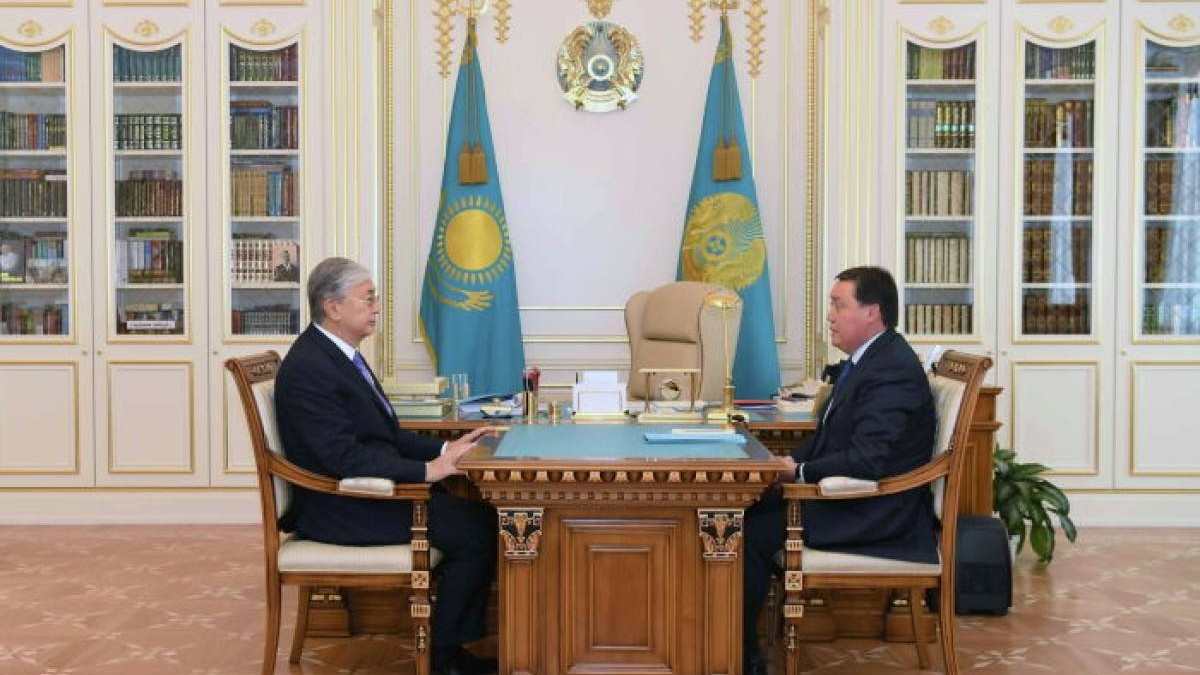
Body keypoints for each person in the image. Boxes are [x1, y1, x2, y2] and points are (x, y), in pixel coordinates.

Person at [275, 257, 499, 675]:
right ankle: (445, 658)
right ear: (333, 307)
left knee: (480, 519)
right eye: (368, 298)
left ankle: (449, 648)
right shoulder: (310, 368)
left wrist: (447, 448)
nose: (377, 307)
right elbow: (342, 457)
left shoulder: (339, 356)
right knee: (477, 530)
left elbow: (386, 436)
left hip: (364, 494)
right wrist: (427, 472)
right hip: (340, 507)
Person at [741, 266, 937, 674]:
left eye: (838, 305)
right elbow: (828, 438)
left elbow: (869, 458)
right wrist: (786, 467)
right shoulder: (868, 361)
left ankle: (742, 657)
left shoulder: (891, 369)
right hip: (848, 499)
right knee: (738, 511)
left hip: (874, 511)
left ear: (872, 312)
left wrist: (800, 471)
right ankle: (731, 645)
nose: (830, 316)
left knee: (745, 533)